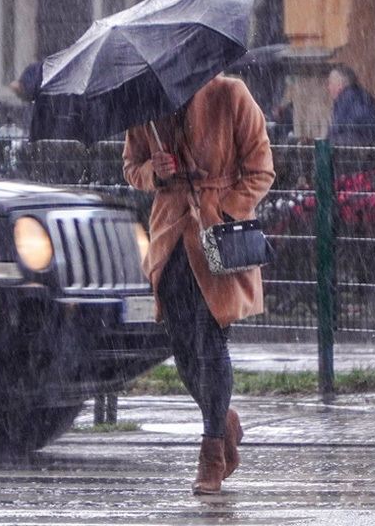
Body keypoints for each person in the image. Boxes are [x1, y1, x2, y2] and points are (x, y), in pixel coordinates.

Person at [122, 74, 275, 495]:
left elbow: (261, 169)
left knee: (210, 342)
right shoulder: (145, 107)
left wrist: (224, 209)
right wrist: (153, 171)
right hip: (170, 238)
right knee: (183, 349)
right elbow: (131, 168)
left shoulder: (230, 94)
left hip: (217, 240)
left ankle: (211, 452)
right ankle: (223, 419)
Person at [325, 64, 375, 145]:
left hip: (355, 151)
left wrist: (327, 144)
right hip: (368, 148)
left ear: (340, 84)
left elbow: (337, 130)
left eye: (330, 83)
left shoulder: (347, 100)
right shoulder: (358, 96)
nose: (328, 88)